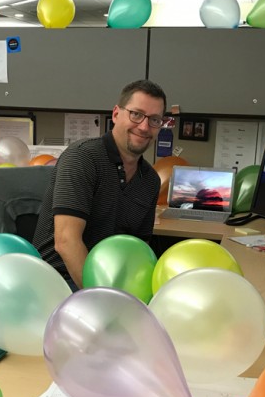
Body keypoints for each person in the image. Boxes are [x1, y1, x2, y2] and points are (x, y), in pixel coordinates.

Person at [32, 79, 165, 291]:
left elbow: (137, 250)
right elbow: (66, 242)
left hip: (110, 283)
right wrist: (101, 301)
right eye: (136, 114)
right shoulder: (83, 158)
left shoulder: (149, 180)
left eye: (155, 120)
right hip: (57, 280)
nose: (144, 126)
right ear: (115, 114)